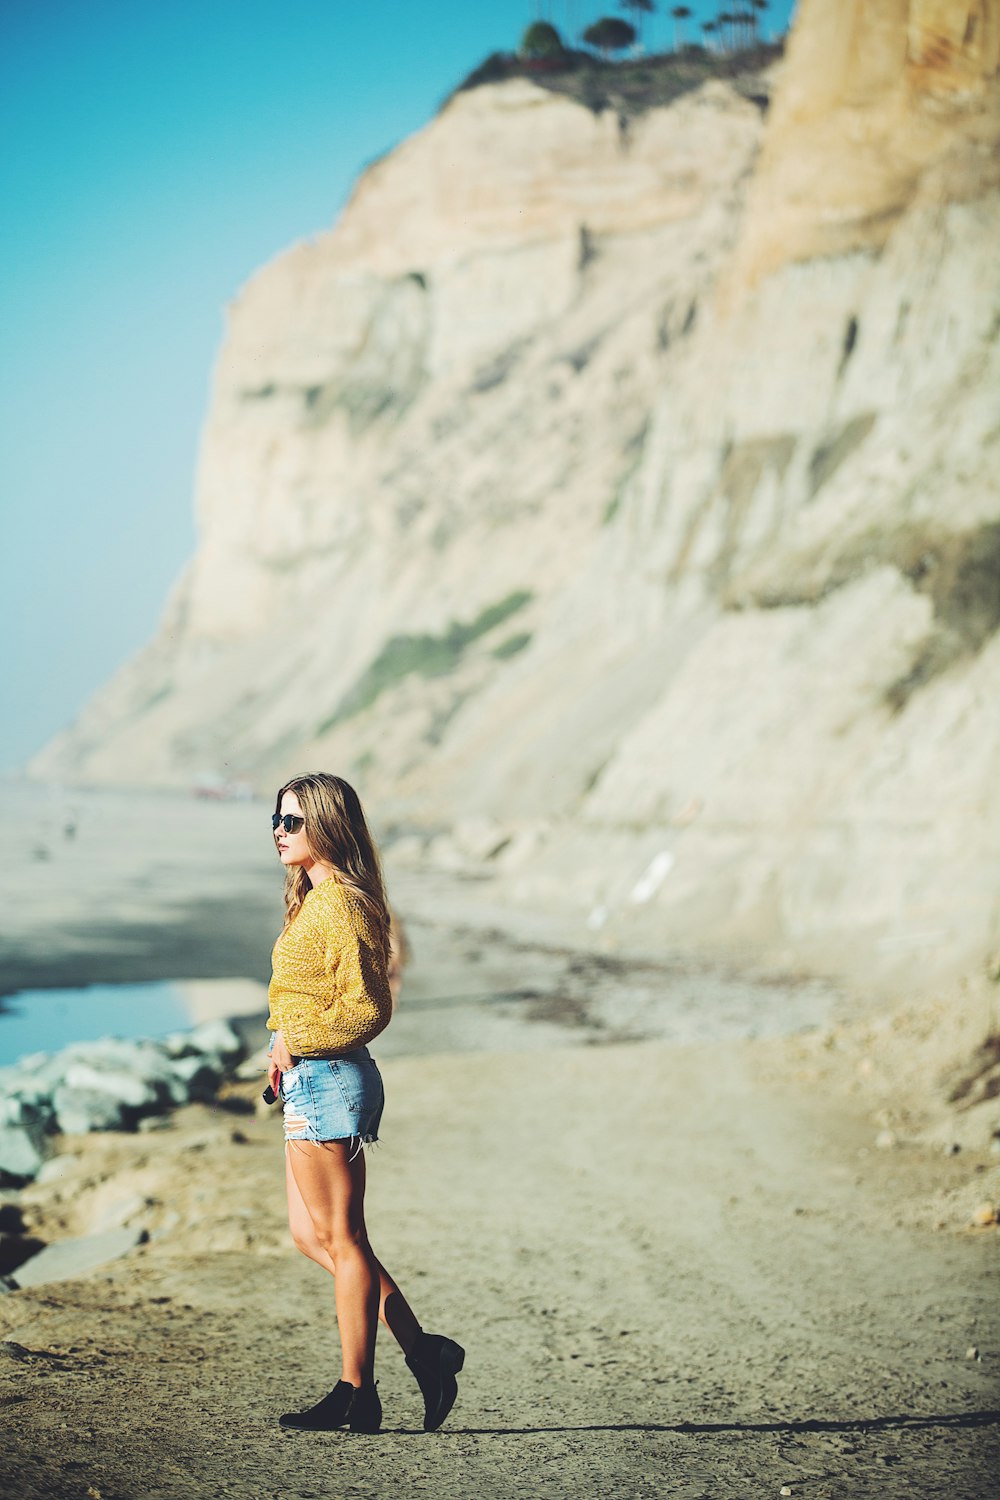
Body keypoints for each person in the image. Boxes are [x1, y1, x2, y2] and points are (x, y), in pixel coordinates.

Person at [265, 772, 464, 1434]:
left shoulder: (341, 904)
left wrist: (296, 1041)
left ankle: (358, 1393)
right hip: (306, 1080)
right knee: (312, 1236)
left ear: (326, 826)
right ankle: (423, 1352)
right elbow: (304, 997)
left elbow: (369, 1007)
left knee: (346, 1241)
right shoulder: (315, 901)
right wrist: (279, 1045)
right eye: (277, 818)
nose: (279, 830)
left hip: (330, 1080)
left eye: (293, 821)